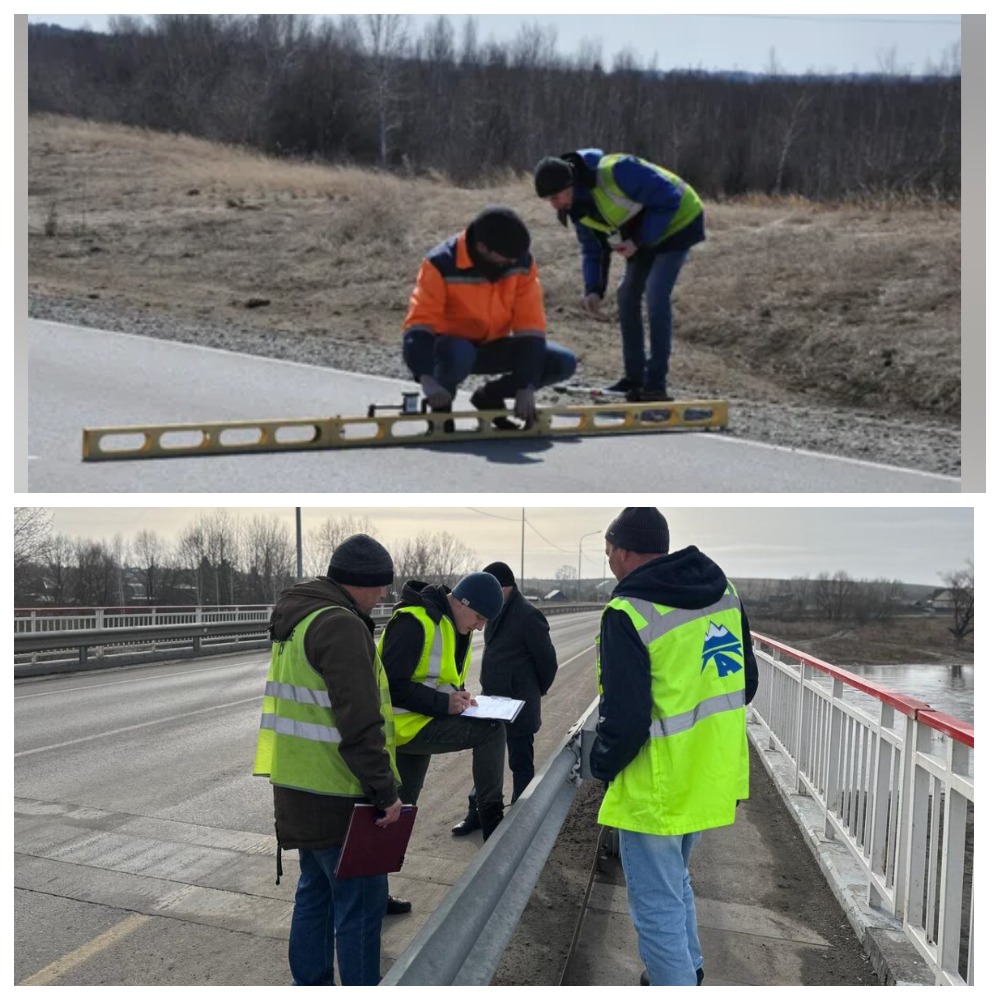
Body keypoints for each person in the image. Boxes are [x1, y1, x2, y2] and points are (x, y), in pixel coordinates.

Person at [589, 507, 758, 987]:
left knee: (654, 901)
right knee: (676, 881)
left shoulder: (627, 611)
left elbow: (624, 722)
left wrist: (601, 766)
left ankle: (675, 983)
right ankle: (690, 968)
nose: (610, 565)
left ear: (622, 551)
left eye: (608, 555)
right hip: (713, 775)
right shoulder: (723, 593)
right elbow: (748, 685)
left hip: (658, 787)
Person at [252, 533, 407, 987]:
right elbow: (359, 721)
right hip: (341, 796)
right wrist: (385, 792)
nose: (382, 597)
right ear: (361, 582)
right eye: (380, 587)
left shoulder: (299, 619)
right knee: (360, 908)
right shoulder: (340, 625)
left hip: (299, 788)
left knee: (315, 896)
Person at [533, 149, 705, 402]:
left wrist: (638, 240)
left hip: (680, 220)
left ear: (571, 183)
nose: (555, 204)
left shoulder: (617, 170)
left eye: (556, 196)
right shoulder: (575, 207)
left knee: (656, 292)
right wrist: (594, 289)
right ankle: (633, 380)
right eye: (549, 200)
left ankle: (655, 384)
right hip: (644, 234)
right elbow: (593, 248)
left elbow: (669, 197)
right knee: (626, 295)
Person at [402, 204, 577, 429]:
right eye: (507, 258)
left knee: (562, 362)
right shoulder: (440, 263)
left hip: (494, 346)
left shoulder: (521, 262)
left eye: (517, 257)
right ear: (483, 247)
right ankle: (441, 408)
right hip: (449, 353)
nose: (513, 263)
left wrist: (527, 384)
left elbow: (530, 327)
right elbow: (419, 325)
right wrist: (426, 379)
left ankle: (489, 396)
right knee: (459, 352)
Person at [377, 571, 509, 840]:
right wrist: (444, 703)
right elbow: (391, 684)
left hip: (420, 721)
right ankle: (492, 821)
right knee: (492, 730)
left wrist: (459, 699)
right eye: (480, 617)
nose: (480, 627)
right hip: (401, 726)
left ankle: (374, 866)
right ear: (462, 601)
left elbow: (437, 678)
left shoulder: (454, 626)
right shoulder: (414, 623)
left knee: (400, 807)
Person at [451, 561, 559, 836]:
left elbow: (547, 663)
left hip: (519, 706)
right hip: (491, 704)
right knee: (486, 765)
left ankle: (521, 825)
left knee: (520, 764)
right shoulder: (492, 612)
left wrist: (533, 692)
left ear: (506, 587)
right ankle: (475, 814)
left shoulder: (528, 615)